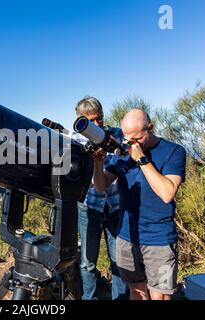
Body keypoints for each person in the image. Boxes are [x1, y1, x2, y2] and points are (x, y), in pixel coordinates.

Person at [93, 108, 186, 300]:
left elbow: (167, 193)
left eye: (136, 139)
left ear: (150, 128)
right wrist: (97, 163)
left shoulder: (173, 151)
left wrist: (142, 160)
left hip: (159, 239)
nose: (130, 144)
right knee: (136, 291)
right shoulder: (123, 152)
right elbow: (101, 186)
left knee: (160, 296)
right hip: (126, 236)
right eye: (127, 138)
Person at [72, 96, 129, 300]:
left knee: (119, 260)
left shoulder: (115, 136)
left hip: (114, 206)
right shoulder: (75, 142)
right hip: (89, 208)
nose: (98, 124)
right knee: (88, 263)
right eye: (92, 121)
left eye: (100, 119)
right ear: (81, 120)